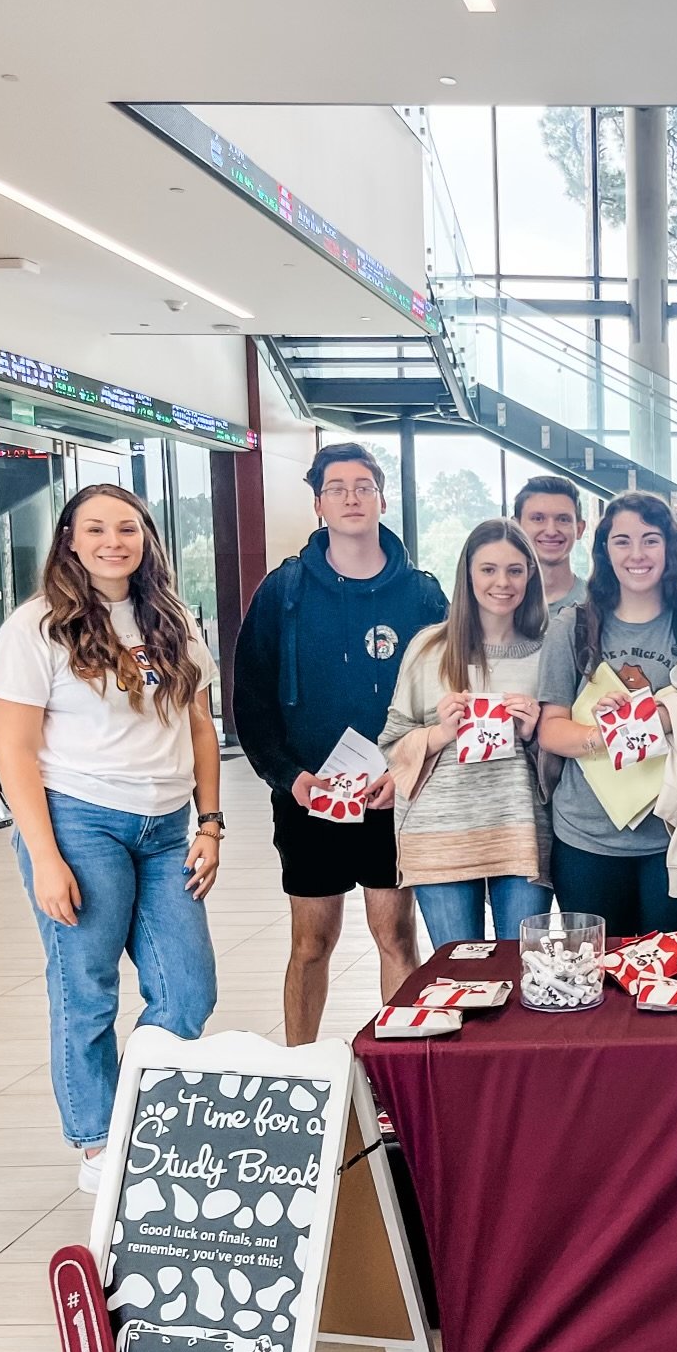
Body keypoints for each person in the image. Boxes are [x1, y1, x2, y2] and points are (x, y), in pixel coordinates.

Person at [0, 484, 221, 1193]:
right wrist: (45, 856)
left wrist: (210, 822)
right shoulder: (36, 627)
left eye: (127, 528)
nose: (112, 541)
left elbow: (200, 726)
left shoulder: (172, 617)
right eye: (95, 528)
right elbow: (13, 749)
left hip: (167, 828)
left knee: (187, 988)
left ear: (147, 538)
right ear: (69, 538)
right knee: (86, 990)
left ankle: (140, 1119)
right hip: (78, 821)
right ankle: (98, 1142)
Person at [234, 442, 448, 1044]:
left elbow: (447, 692)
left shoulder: (422, 595)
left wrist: (407, 773)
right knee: (311, 941)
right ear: (318, 504)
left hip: (393, 794)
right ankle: (299, 1067)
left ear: (382, 499)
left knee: (395, 936)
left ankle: (397, 1070)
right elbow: (252, 702)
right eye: (337, 488)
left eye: (363, 487)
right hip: (311, 795)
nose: (351, 498)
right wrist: (290, 778)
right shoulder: (284, 591)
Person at [537, 491, 677, 937]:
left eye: (651, 540)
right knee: (599, 969)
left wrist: (669, 716)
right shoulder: (573, 626)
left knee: (671, 968)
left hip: (676, 836)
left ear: (671, 548)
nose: (637, 554)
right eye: (622, 541)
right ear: (603, 550)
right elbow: (550, 731)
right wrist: (606, 733)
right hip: (586, 838)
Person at [380, 518, 550, 949]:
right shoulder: (428, 649)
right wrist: (441, 733)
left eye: (514, 570)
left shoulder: (547, 653)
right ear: (468, 574)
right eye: (488, 569)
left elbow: (562, 766)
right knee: (460, 972)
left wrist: (534, 735)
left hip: (519, 834)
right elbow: (392, 745)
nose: (502, 582)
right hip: (442, 837)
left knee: (524, 967)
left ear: (530, 575)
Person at [514, 474, 587, 613]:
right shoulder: (500, 602)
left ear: (579, 529)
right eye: (538, 518)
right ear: (516, 527)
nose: (551, 531)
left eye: (563, 519)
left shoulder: (600, 605)